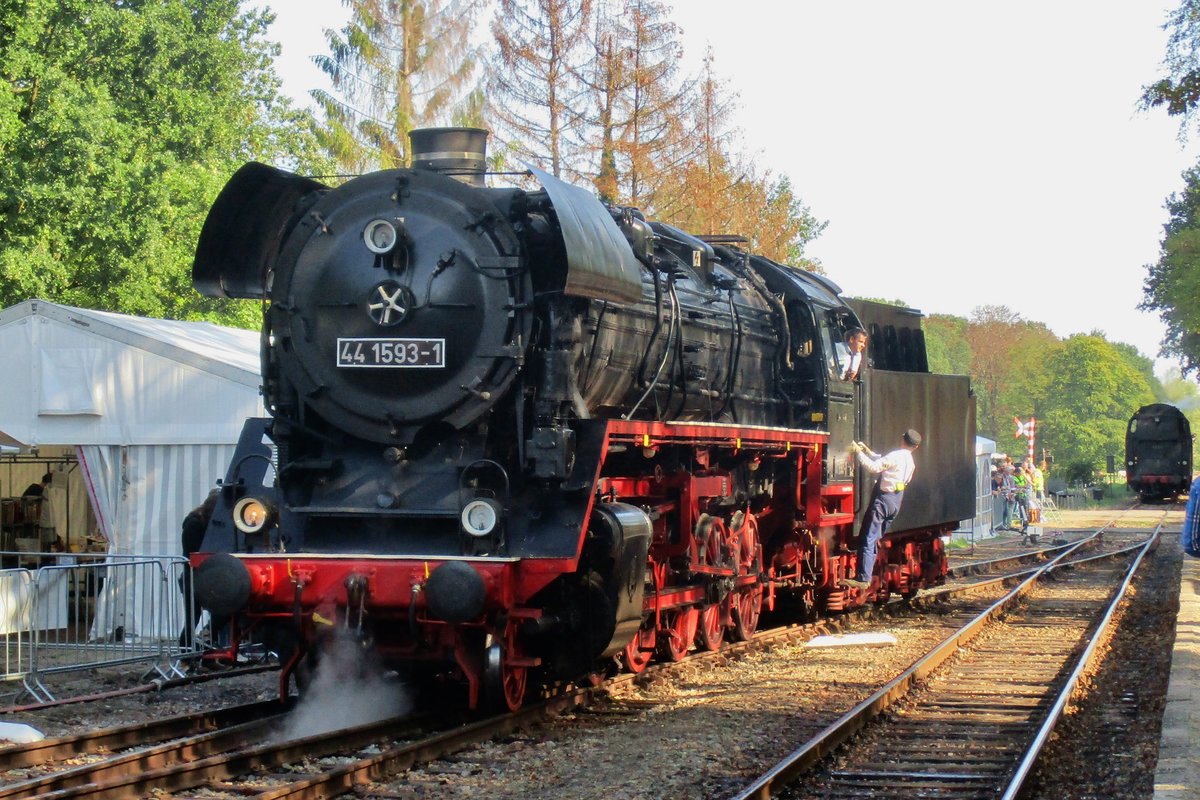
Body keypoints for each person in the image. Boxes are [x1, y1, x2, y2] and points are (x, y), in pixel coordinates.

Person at [840, 429, 921, 590]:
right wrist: (868, 451)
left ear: (902, 439)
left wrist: (858, 453)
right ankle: (867, 572)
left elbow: (873, 467)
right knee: (875, 538)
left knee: (867, 538)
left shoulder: (896, 455)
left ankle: (863, 578)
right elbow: (884, 461)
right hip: (896, 501)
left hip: (883, 501)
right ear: (916, 447)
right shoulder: (910, 461)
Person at [180, 490, 220, 648]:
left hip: (209, 575)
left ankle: (208, 648)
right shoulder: (195, 524)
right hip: (193, 575)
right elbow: (191, 551)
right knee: (193, 617)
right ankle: (186, 652)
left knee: (219, 614)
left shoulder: (209, 524)